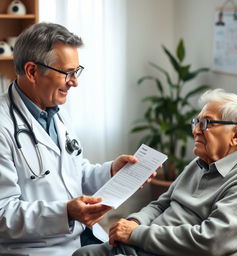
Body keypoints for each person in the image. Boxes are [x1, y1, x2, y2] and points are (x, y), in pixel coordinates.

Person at [0, 22, 156, 256]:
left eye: (76, 71)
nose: (75, 82)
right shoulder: (3, 126)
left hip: (86, 237)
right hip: (38, 249)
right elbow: (4, 214)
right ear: (32, 71)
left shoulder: (56, 110)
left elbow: (73, 174)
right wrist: (65, 213)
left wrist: (111, 171)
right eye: (67, 73)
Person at [73, 88, 237, 256]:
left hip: (160, 251)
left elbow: (211, 240)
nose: (195, 131)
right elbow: (161, 204)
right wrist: (135, 222)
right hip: (140, 244)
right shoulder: (198, 163)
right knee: (82, 253)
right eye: (196, 122)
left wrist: (137, 234)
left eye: (206, 123)